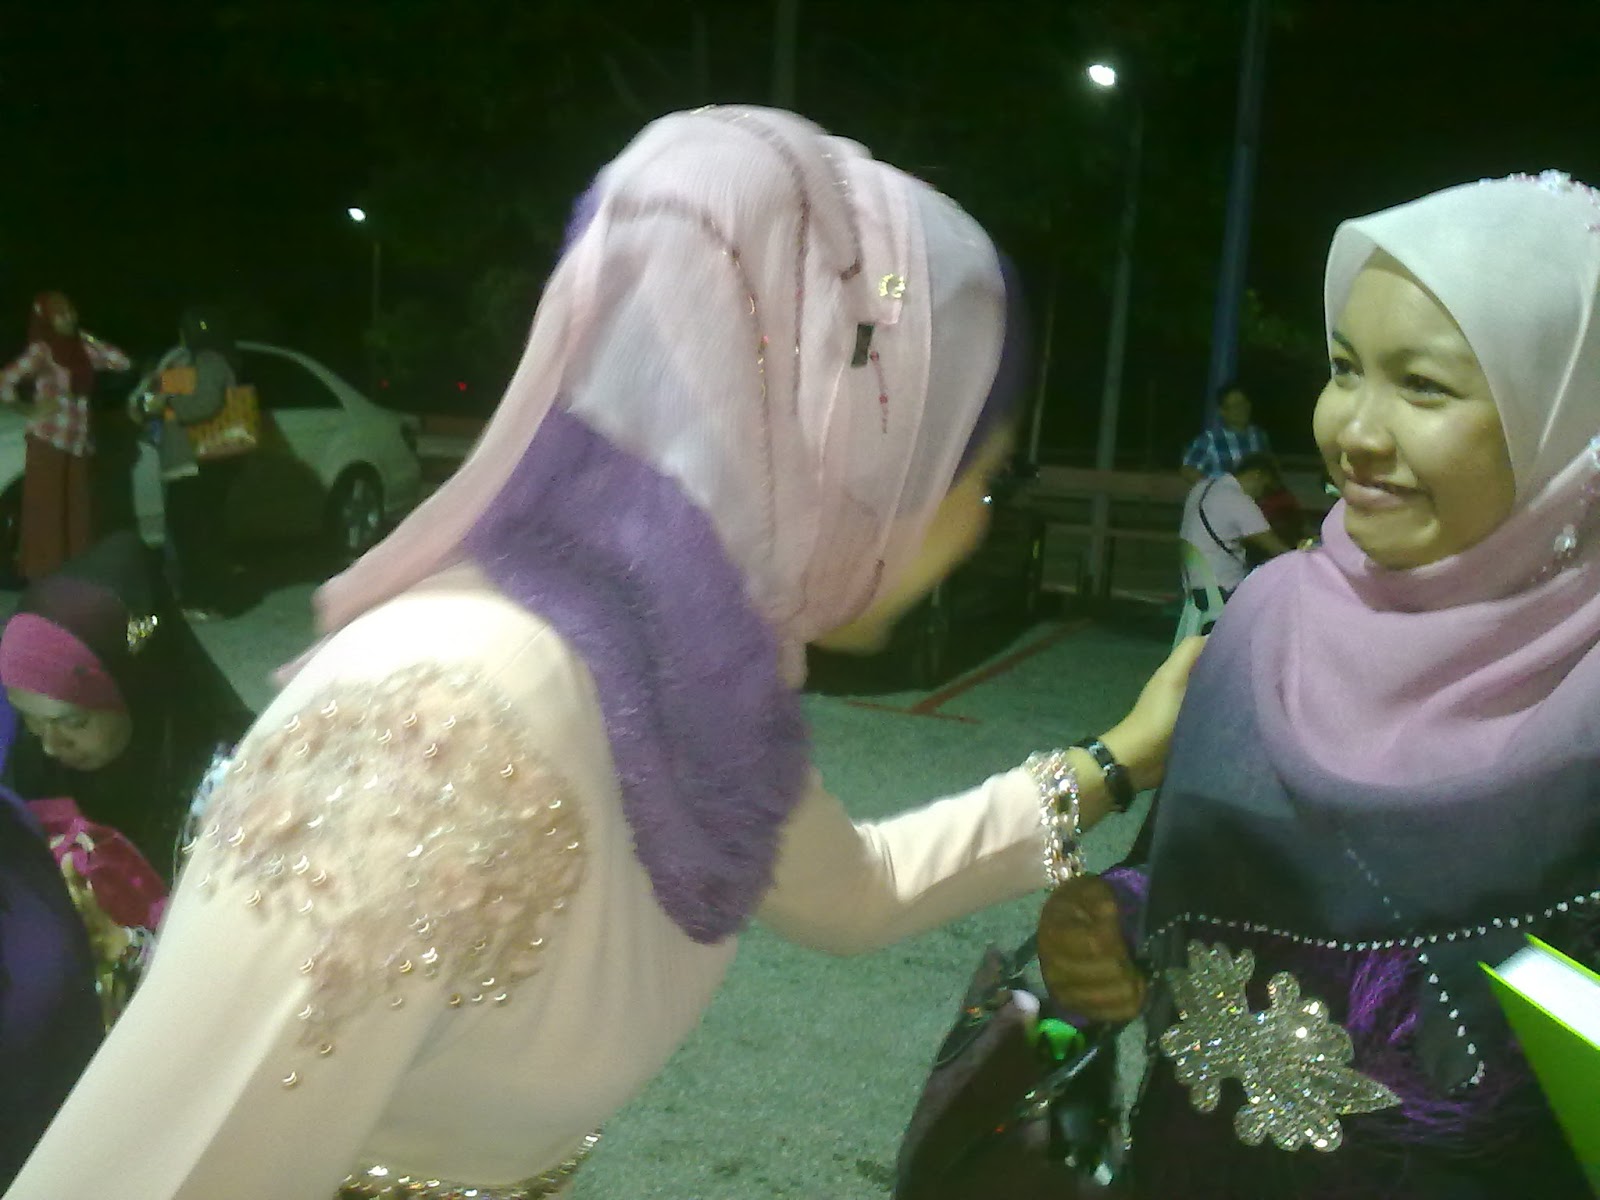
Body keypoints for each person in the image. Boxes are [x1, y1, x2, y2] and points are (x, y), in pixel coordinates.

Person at [5, 107, 1201, 1199]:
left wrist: (1120, 758)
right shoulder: (449, 715)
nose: (976, 518)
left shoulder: (689, 679)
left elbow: (858, 890)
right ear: (842, 459)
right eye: (971, 472)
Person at [1038, 170, 1600, 1196]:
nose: (1355, 432)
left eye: (1422, 386)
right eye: (1345, 369)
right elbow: (1182, 871)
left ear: (1563, 414)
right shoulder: (1268, 619)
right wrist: (1108, 926)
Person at [0, 532, 254, 880]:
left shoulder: (225, 785)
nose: (50, 746)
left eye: (73, 723)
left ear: (134, 690)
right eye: (29, 719)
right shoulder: (30, 758)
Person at [0, 293, 130, 581]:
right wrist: (28, 408)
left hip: (78, 443)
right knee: (47, 512)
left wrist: (87, 337)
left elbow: (122, 362)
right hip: (49, 441)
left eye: (70, 311)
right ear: (47, 320)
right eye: (60, 314)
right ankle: (44, 577)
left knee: (78, 514)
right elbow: (5, 381)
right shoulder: (42, 351)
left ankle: (76, 574)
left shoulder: (83, 349)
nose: (68, 318)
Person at [134, 307, 247, 619]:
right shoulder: (192, 362)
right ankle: (202, 598)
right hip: (189, 462)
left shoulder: (210, 361)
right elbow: (152, 398)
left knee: (198, 535)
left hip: (200, 462)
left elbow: (205, 403)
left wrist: (168, 403)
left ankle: (208, 601)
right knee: (193, 533)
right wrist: (157, 399)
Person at [1178, 450, 1292, 601]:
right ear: (1257, 475)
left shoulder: (1200, 487)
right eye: (1266, 488)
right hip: (1222, 589)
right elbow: (1276, 549)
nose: (1262, 497)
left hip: (1192, 586)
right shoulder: (1239, 500)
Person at [1178, 381, 1271, 486]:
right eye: (1235, 406)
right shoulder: (1209, 439)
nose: (1241, 409)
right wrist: (1215, 489)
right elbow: (1188, 470)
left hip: (1256, 495)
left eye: (1243, 403)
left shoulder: (1259, 436)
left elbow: (1268, 470)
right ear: (1222, 411)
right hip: (1224, 494)